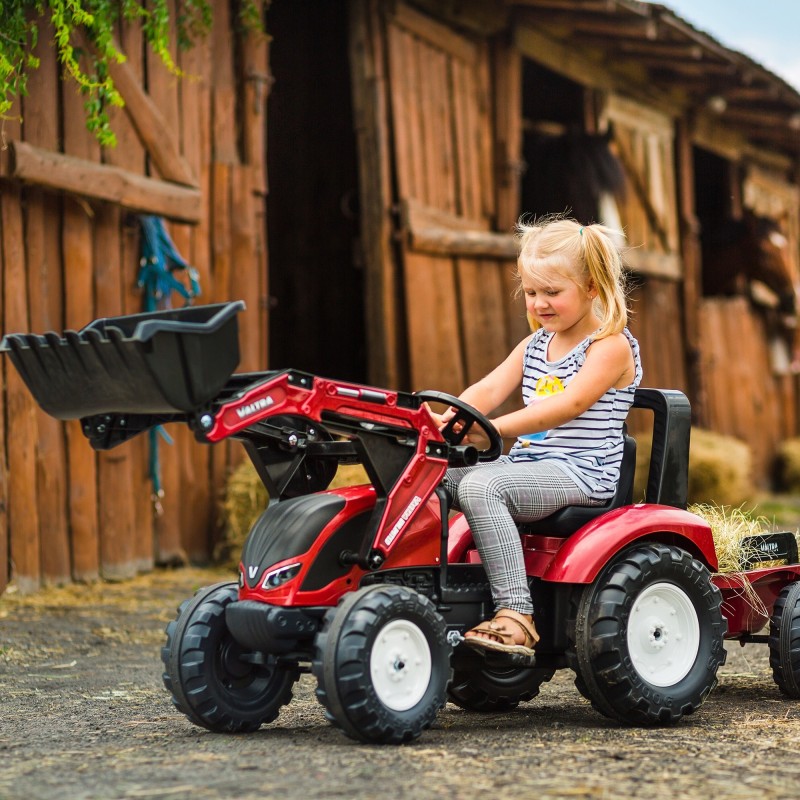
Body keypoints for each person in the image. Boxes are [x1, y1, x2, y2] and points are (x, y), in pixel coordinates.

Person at [436, 215, 642, 657]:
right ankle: (432, 592)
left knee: (481, 483)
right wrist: (450, 420)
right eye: (531, 293)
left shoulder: (610, 346)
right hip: (531, 469)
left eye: (553, 292)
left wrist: (491, 429)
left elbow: (567, 406)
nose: (540, 304)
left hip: (582, 474)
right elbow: (488, 390)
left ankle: (517, 615)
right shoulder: (534, 346)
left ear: (591, 287)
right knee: (431, 476)